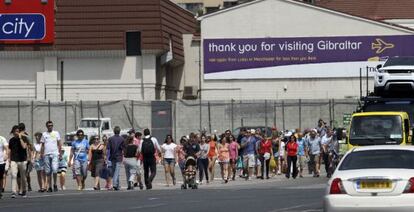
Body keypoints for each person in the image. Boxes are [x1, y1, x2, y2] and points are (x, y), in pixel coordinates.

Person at [40, 121, 62, 192]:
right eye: (49, 125)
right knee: (48, 171)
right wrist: (41, 153)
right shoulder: (44, 134)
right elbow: (42, 145)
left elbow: (59, 144)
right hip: (46, 154)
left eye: (51, 125)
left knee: (55, 170)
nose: (50, 126)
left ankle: (55, 184)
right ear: (47, 126)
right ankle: (50, 186)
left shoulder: (56, 133)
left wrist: (60, 153)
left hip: (55, 153)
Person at [8, 125, 28, 198]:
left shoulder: (24, 138)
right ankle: (13, 192)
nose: (16, 133)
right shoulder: (11, 140)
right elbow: (9, 150)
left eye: (17, 131)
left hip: (22, 160)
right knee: (13, 175)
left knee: (23, 177)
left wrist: (20, 138)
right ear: (12, 132)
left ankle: (24, 191)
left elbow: (24, 147)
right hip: (14, 160)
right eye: (14, 131)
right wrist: (9, 159)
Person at [107, 126, 125, 191]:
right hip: (119, 156)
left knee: (115, 171)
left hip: (112, 157)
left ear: (114, 131)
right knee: (116, 171)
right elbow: (123, 148)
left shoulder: (110, 139)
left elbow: (108, 148)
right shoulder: (122, 139)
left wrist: (107, 157)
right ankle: (114, 184)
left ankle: (117, 185)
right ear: (119, 131)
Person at [0, 134, 7, 199]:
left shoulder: (2, 139)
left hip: (1, 161)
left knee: (1, 177)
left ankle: (0, 191)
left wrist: (6, 155)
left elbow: (6, 148)